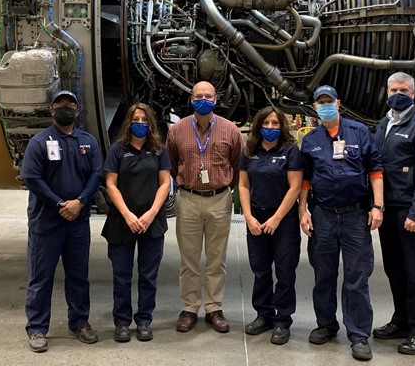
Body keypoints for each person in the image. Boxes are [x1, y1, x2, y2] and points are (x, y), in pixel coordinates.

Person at [299, 85, 384, 361]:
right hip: (323, 214)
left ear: (338, 102)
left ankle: (359, 334)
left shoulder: (358, 132)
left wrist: (378, 206)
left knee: (356, 277)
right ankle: (326, 324)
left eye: (329, 101)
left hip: (355, 215)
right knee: (323, 274)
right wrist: (303, 211)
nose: (325, 106)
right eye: (320, 102)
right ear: (314, 107)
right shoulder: (311, 140)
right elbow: (305, 180)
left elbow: (375, 170)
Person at [20, 90, 103, 352]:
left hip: (77, 222)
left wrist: (79, 201)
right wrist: (59, 204)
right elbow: (32, 179)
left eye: (70, 104)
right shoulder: (39, 142)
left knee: (79, 276)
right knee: (40, 278)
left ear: (77, 111)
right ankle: (36, 328)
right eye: (60, 104)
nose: (65, 108)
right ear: (51, 111)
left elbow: (95, 174)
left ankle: (79, 323)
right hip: (46, 223)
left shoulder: (87, 141)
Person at [372, 72, 415, 355]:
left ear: (413, 94)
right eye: (392, 89)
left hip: (409, 212)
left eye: (403, 89)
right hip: (387, 209)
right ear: (386, 92)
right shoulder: (384, 123)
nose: (397, 93)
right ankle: (401, 321)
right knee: (394, 269)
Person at [166, 80, 242, 334]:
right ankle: (190, 307)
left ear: (216, 100)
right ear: (191, 99)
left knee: (216, 259)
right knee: (189, 259)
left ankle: (213, 308)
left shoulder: (231, 130)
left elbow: (237, 165)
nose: (203, 100)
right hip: (187, 198)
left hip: (220, 198)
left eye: (208, 96)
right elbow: (172, 163)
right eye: (198, 96)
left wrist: (227, 190)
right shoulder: (176, 130)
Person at [102, 103, 171, 343]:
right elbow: (111, 184)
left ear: (150, 123)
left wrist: (152, 213)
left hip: (152, 222)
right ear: (128, 123)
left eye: (144, 120)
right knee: (121, 276)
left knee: (148, 276)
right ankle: (121, 322)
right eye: (136, 119)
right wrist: (128, 215)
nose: (140, 123)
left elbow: (165, 183)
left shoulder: (159, 150)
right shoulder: (117, 150)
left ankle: (144, 320)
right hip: (122, 222)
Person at [239, 106, 303, 345]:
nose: (270, 128)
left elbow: (295, 187)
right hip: (256, 217)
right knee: (260, 270)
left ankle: (282, 321)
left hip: (283, 221)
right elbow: (243, 186)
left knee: (285, 271)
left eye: (275, 124)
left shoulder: (290, 151)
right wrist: (248, 217)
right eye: (266, 123)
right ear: (258, 125)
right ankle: (263, 315)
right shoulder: (249, 151)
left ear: (282, 127)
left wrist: (276, 218)